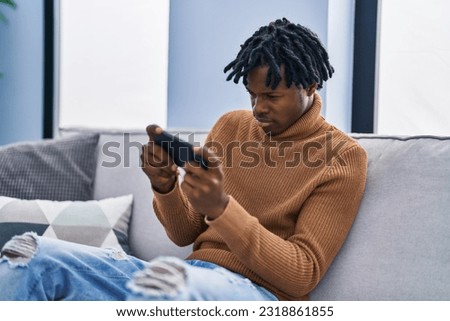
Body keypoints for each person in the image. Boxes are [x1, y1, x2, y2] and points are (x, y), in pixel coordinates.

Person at [0, 18, 367, 301]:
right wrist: (164, 186)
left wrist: (222, 209)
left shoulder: (342, 158)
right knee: (33, 255)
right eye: (252, 95)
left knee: (169, 287)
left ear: (310, 86)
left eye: (271, 96)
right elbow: (183, 234)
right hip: (188, 273)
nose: (258, 109)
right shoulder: (230, 126)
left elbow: (302, 272)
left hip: (255, 295)